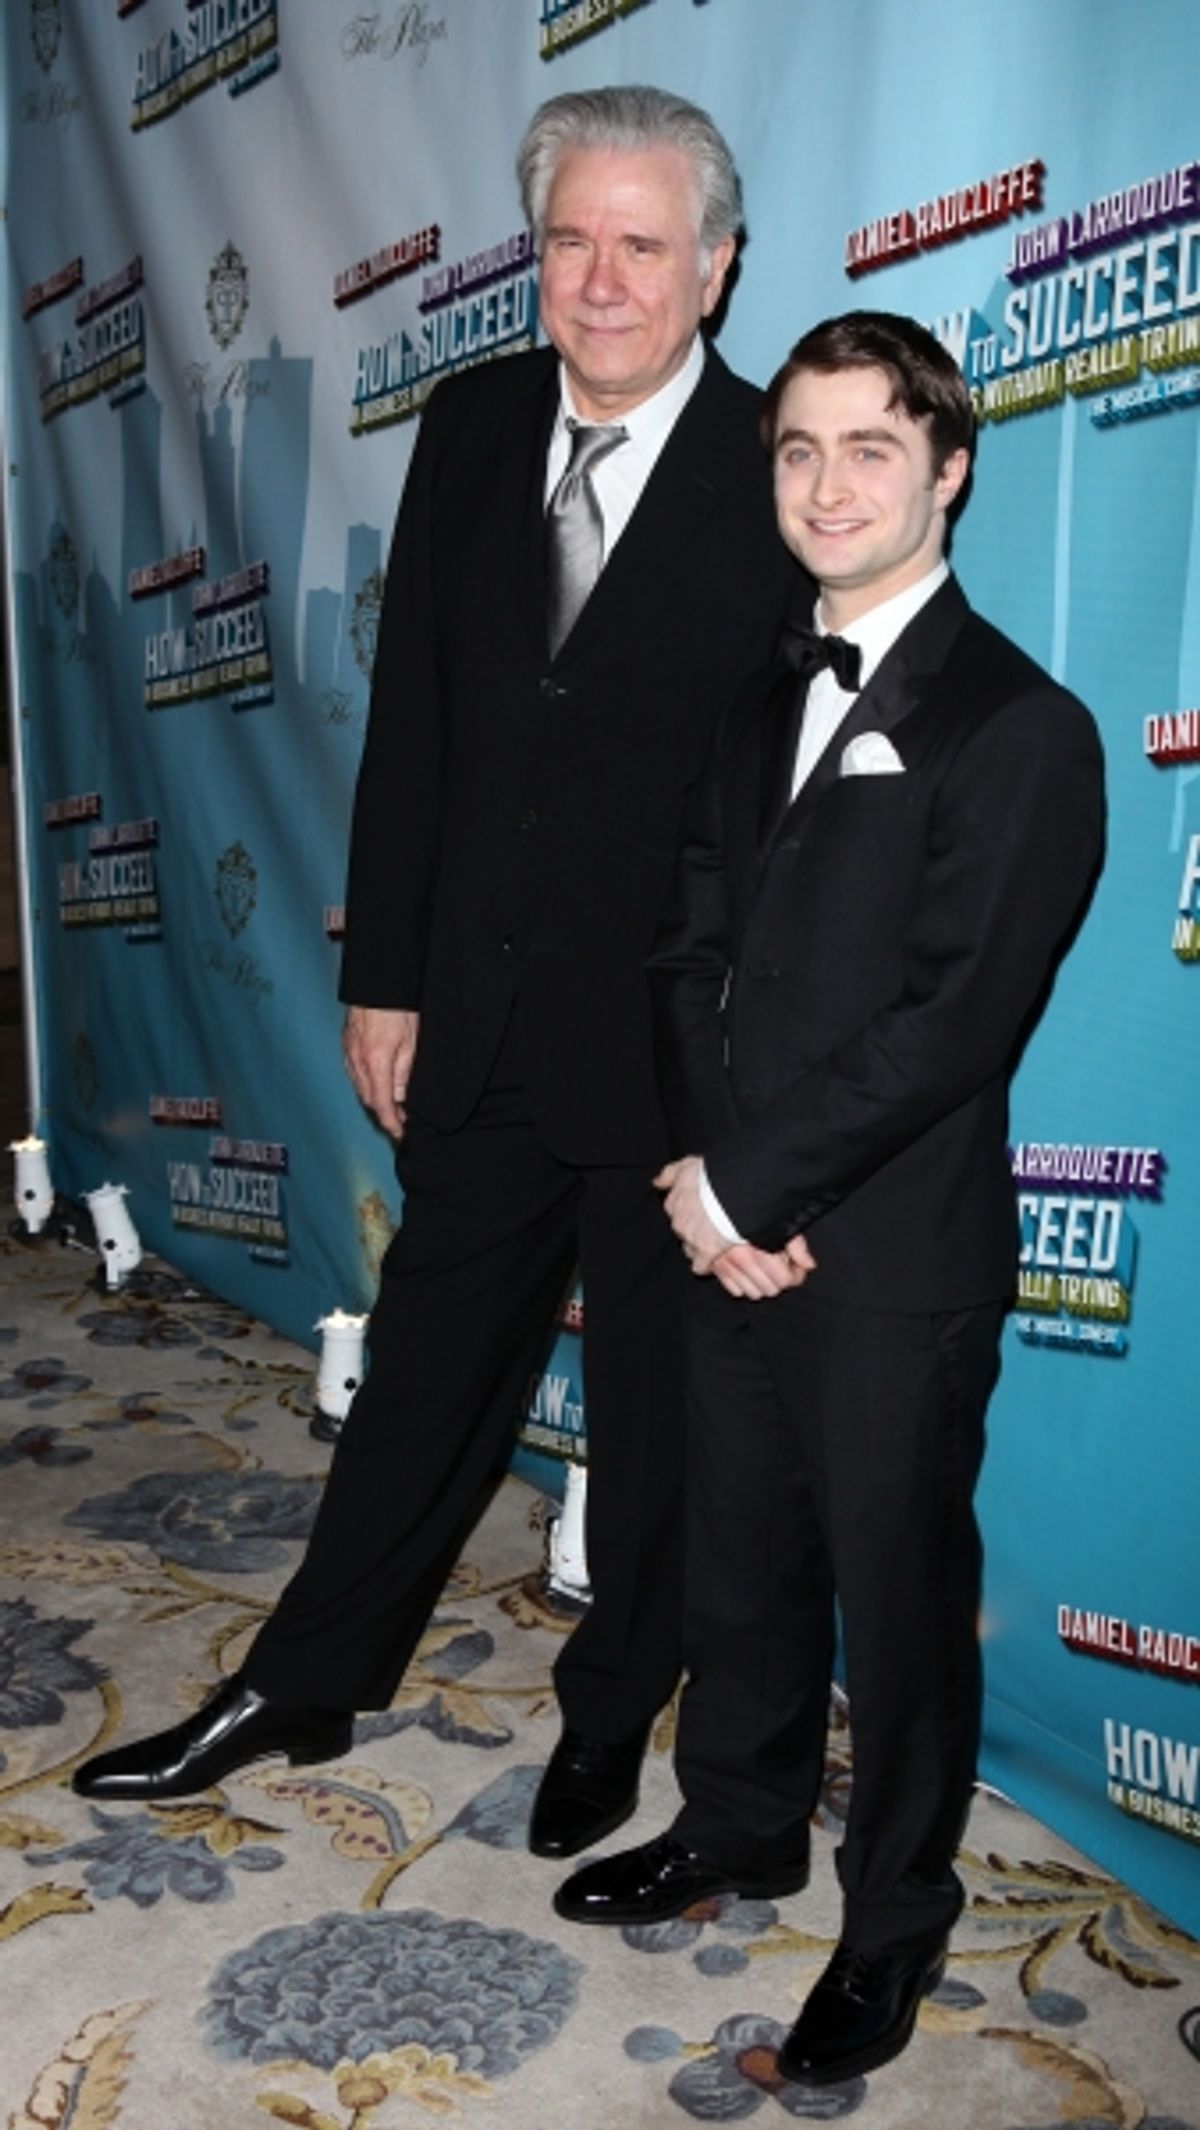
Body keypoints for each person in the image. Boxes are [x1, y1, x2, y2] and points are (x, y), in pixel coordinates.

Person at [73, 86, 800, 1859]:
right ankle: (306, 1674)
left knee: (651, 1423)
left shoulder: (783, 464)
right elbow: (419, 731)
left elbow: (794, 800)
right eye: (569, 241)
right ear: (531, 256)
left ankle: (611, 1717)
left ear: (713, 267)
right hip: (474, 1016)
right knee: (420, 1375)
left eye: (643, 246)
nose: (602, 280)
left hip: (675, 1054)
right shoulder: (473, 421)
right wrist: (381, 971)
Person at [553, 311, 1105, 2085]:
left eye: (873, 445)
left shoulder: (1026, 723)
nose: (828, 482)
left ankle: (893, 1920)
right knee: (742, 1561)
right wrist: (714, 1193)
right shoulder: (748, 698)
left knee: (896, 1589)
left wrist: (756, 1179)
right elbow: (688, 948)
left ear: (948, 467)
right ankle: (738, 1817)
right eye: (796, 448)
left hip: (892, 1251)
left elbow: (955, 1019)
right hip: (734, 1227)